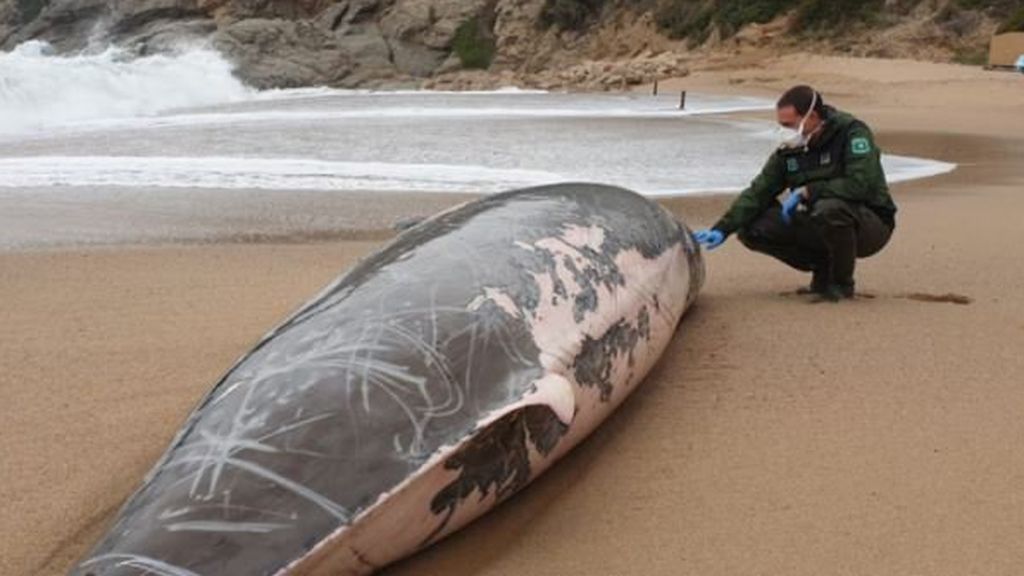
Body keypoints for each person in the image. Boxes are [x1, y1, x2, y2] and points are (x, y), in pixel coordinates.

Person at [693, 85, 897, 302]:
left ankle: (841, 285)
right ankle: (822, 270)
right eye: (781, 125)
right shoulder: (789, 149)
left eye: (789, 125)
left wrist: (809, 191)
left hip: (870, 224)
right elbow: (758, 192)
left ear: (812, 117)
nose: (785, 130)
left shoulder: (852, 133)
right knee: (752, 227)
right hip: (818, 219)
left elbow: (860, 184)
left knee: (830, 209)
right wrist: (722, 229)